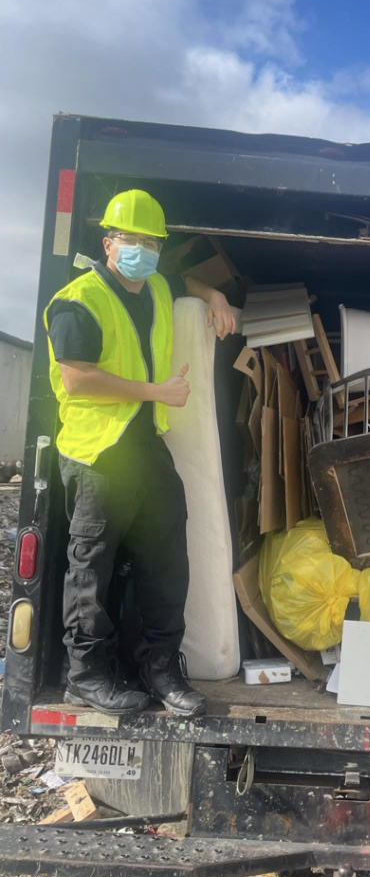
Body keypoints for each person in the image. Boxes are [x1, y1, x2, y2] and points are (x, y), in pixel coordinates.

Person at [44, 189, 236, 717]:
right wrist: (157, 393)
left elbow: (182, 282)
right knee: (92, 569)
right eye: (132, 239)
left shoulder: (153, 285)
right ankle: (87, 676)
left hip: (145, 447)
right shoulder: (77, 301)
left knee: (166, 559)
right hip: (97, 454)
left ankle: (160, 669)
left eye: (151, 241)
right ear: (109, 243)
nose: (143, 249)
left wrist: (212, 296)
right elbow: (76, 379)